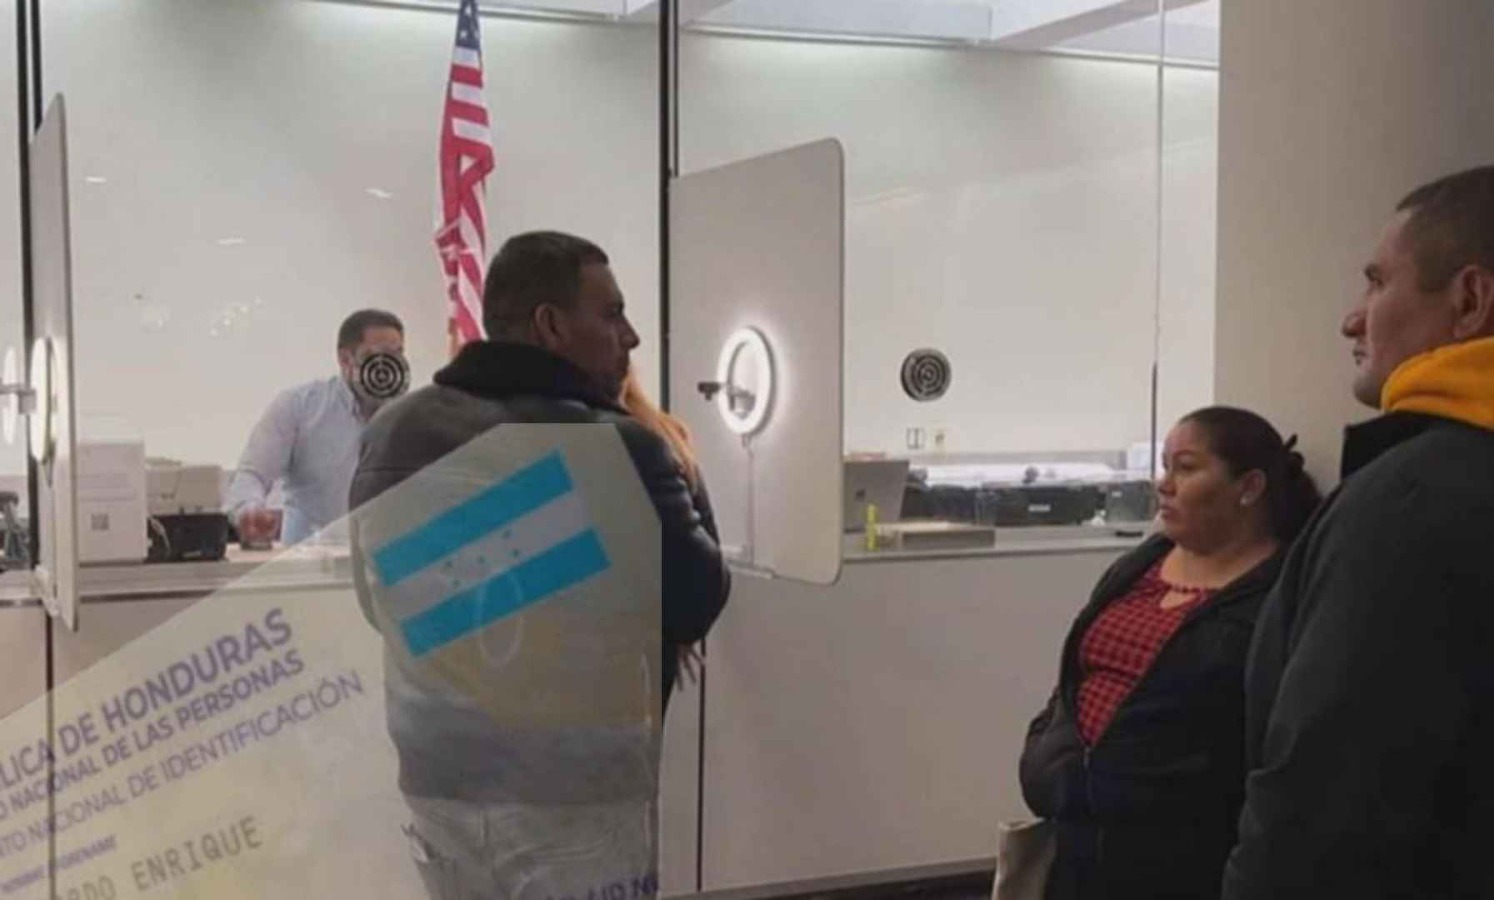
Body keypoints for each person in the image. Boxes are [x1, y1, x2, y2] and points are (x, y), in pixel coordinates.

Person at [349, 231, 729, 899]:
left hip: (438, 783)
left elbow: (377, 602)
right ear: (551, 325)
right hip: (574, 793)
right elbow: (695, 599)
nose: (632, 336)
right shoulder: (617, 448)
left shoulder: (393, 431)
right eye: (612, 314)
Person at [1222, 166, 1494, 898]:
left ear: (1470, 301)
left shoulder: (1411, 506)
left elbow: (1323, 816)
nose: (1352, 319)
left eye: (1377, 283)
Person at [1019, 407, 1320, 899]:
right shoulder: (1141, 564)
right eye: (1165, 466)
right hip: (1080, 843)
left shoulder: (1276, 595)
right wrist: (1045, 751)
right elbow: (1078, 674)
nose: (1165, 484)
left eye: (1186, 467)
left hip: (1180, 859)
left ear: (1249, 487)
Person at [227, 309, 407, 547]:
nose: (388, 366)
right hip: (311, 561)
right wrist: (250, 510)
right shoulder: (300, 407)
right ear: (345, 359)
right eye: (376, 355)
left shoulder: (411, 415)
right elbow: (253, 474)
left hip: (386, 559)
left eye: (397, 354)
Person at [618, 365, 720, 709]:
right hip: (655, 637)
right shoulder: (666, 434)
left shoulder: (624, 440)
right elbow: (704, 546)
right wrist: (681, 624)